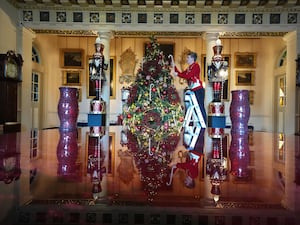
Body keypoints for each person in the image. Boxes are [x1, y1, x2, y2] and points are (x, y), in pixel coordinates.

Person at [171, 52, 207, 124]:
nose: (187, 59)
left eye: (188, 58)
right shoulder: (189, 68)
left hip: (198, 89)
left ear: (192, 58)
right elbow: (182, 74)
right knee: (193, 107)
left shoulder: (196, 66)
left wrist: (177, 74)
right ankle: (195, 122)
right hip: (193, 89)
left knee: (200, 106)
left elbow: (188, 76)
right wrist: (175, 67)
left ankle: (204, 123)